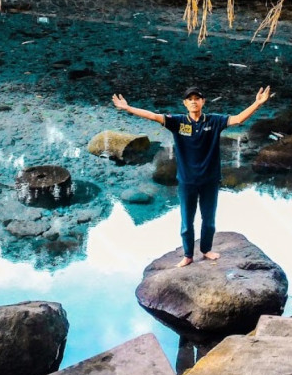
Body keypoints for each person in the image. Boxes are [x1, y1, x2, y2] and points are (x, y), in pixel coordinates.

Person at [111, 85, 271, 267]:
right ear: (185, 103)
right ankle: (187, 255)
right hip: (187, 181)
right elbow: (153, 116)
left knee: (209, 221)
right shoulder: (178, 122)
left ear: (203, 102)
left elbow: (238, 119)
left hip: (210, 181)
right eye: (190, 99)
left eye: (197, 98)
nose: (194, 102)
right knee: (187, 222)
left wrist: (257, 103)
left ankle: (206, 249)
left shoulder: (214, 121)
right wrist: (128, 108)